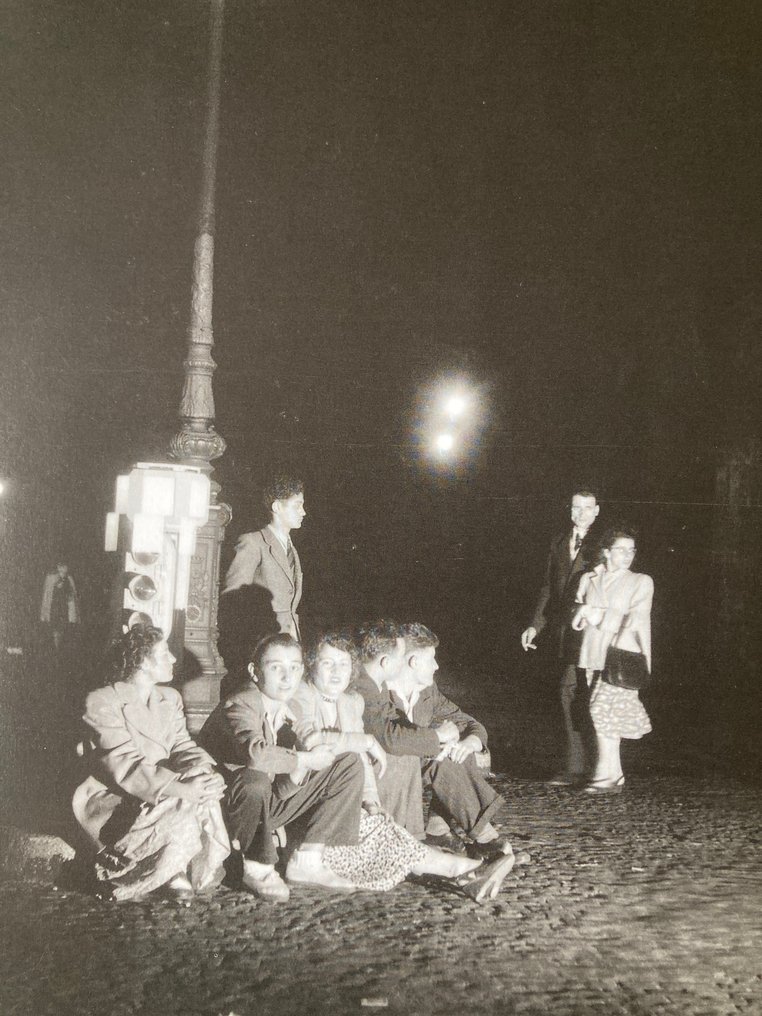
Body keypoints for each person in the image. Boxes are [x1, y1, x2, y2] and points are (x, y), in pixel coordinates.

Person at [291, 632, 515, 900]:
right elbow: (326, 743)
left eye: (344, 665)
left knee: (385, 825)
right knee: (382, 833)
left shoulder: (350, 701)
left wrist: (371, 799)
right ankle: (465, 866)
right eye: (328, 664)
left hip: (346, 796)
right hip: (312, 805)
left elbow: (359, 761)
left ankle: (466, 866)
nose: (337, 672)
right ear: (312, 665)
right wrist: (365, 742)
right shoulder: (305, 695)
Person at [198, 633, 365, 900]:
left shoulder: (289, 709)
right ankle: (257, 867)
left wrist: (302, 766)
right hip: (225, 811)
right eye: (276, 668)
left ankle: (307, 860)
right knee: (254, 779)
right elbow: (257, 755)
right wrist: (305, 760)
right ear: (255, 671)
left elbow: (282, 789)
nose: (287, 678)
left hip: (265, 807)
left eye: (294, 667)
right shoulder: (242, 702)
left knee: (347, 763)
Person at [72, 624, 229, 903]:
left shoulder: (169, 698)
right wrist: (182, 789)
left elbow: (182, 746)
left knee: (198, 784)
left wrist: (207, 773)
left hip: (159, 786)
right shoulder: (102, 701)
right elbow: (125, 766)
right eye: (165, 652)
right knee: (185, 802)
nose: (172, 659)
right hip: (117, 796)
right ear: (144, 661)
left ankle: (175, 868)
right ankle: (131, 875)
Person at [356, 620, 521, 861]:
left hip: (415, 767)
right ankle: (482, 838)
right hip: (383, 771)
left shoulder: (427, 691)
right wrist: (438, 738)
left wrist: (471, 742)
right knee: (432, 755)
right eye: (431, 659)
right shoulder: (379, 689)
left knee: (469, 753)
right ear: (413, 661)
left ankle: (440, 829)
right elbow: (391, 738)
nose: (436, 665)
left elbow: (468, 722)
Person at [521, 488, 601, 784]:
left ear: (597, 511)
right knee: (568, 692)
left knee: (578, 693)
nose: (581, 513)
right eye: (576, 508)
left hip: (592, 633)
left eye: (587, 507)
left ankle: (590, 765)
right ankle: (577, 764)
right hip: (563, 634)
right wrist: (535, 625)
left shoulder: (603, 545)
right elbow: (548, 588)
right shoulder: (558, 543)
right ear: (570, 511)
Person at [572, 526, 654, 793]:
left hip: (620, 657)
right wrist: (582, 611)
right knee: (604, 717)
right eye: (621, 550)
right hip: (591, 654)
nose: (628, 555)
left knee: (602, 713)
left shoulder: (640, 581)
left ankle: (605, 775)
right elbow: (575, 611)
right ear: (606, 552)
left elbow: (635, 619)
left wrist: (594, 615)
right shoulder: (589, 578)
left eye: (632, 550)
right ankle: (613, 774)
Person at [219, 477, 305, 681]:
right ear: (277, 507)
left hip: (288, 647)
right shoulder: (253, 542)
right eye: (298, 505)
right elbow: (232, 598)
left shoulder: (291, 549)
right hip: (261, 649)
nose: (303, 512)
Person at [41, 561, 80, 650]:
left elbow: (72, 597)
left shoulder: (69, 580)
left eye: (65, 572)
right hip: (54, 609)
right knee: (54, 628)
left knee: (63, 628)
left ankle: (60, 648)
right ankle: (55, 647)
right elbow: (47, 597)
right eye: (61, 571)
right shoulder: (50, 579)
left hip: (64, 609)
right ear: (58, 568)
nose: (63, 574)